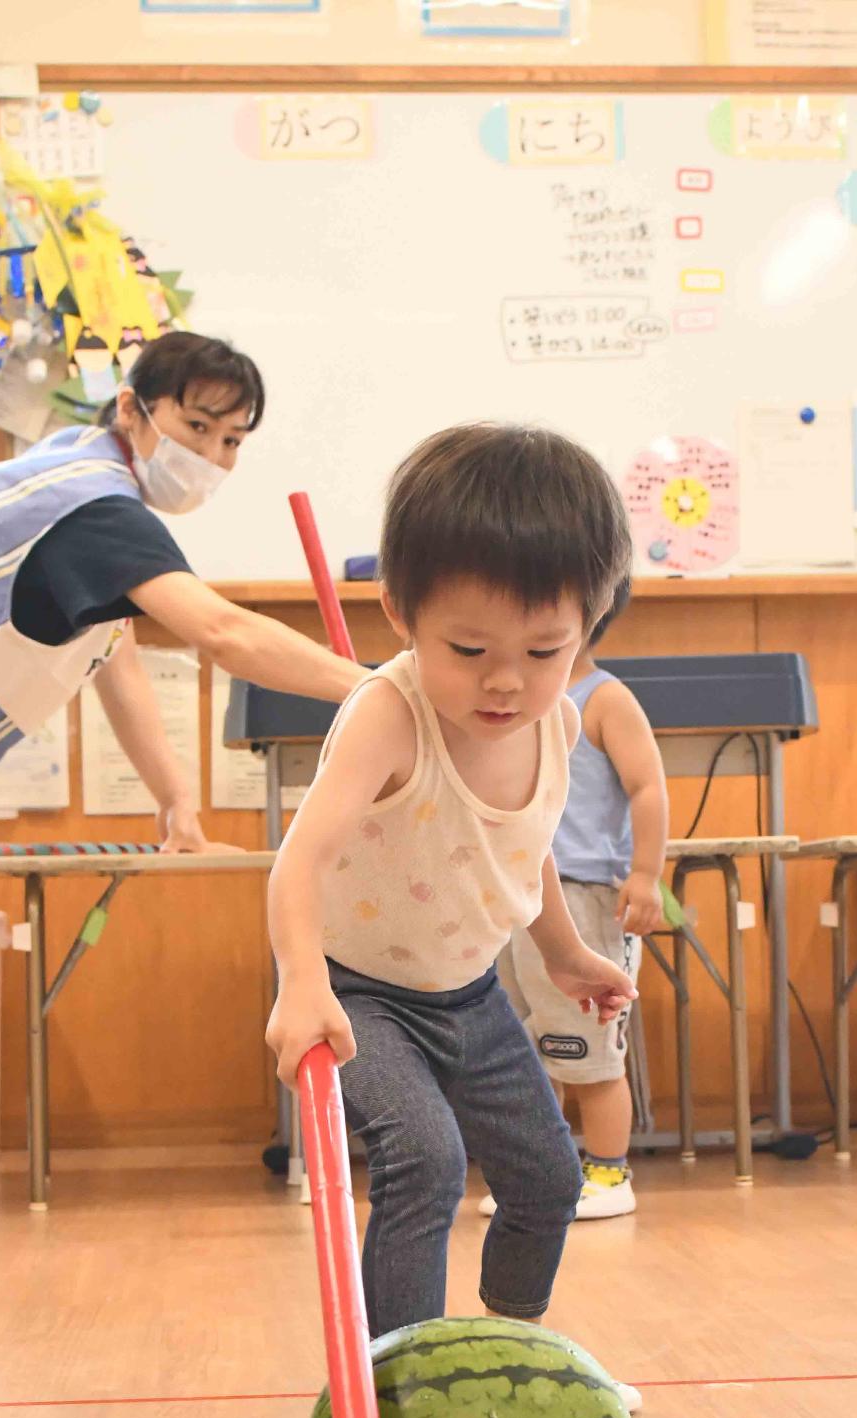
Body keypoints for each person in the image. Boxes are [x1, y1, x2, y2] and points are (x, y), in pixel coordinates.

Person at [0, 331, 364, 1226]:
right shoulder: (95, 505)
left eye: (231, 443)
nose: (212, 459)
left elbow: (114, 659)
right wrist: (385, 691)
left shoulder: (75, 474)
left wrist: (176, 800)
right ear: (131, 409)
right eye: (196, 428)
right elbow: (222, 634)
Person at [265, 422, 637, 1349]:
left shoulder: (556, 721)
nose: (505, 682)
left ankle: (512, 1355)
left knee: (549, 1180)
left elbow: (520, 847)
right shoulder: (389, 716)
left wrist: (566, 951)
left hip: (468, 993)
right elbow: (296, 860)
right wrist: (301, 984)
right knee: (424, 1164)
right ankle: (403, 1375)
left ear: (586, 626)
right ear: (400, 612)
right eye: (468, 650)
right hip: (361, 995)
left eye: (544, 651)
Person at [484, 576, 668, 1220]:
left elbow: (647, 787)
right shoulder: (509, 701)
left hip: (586, 896)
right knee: (530, 1047)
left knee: (587, 1047)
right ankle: (546, 1174)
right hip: (515, 895)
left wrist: (645, 875)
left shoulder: (605, 699)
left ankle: (609, 1173)